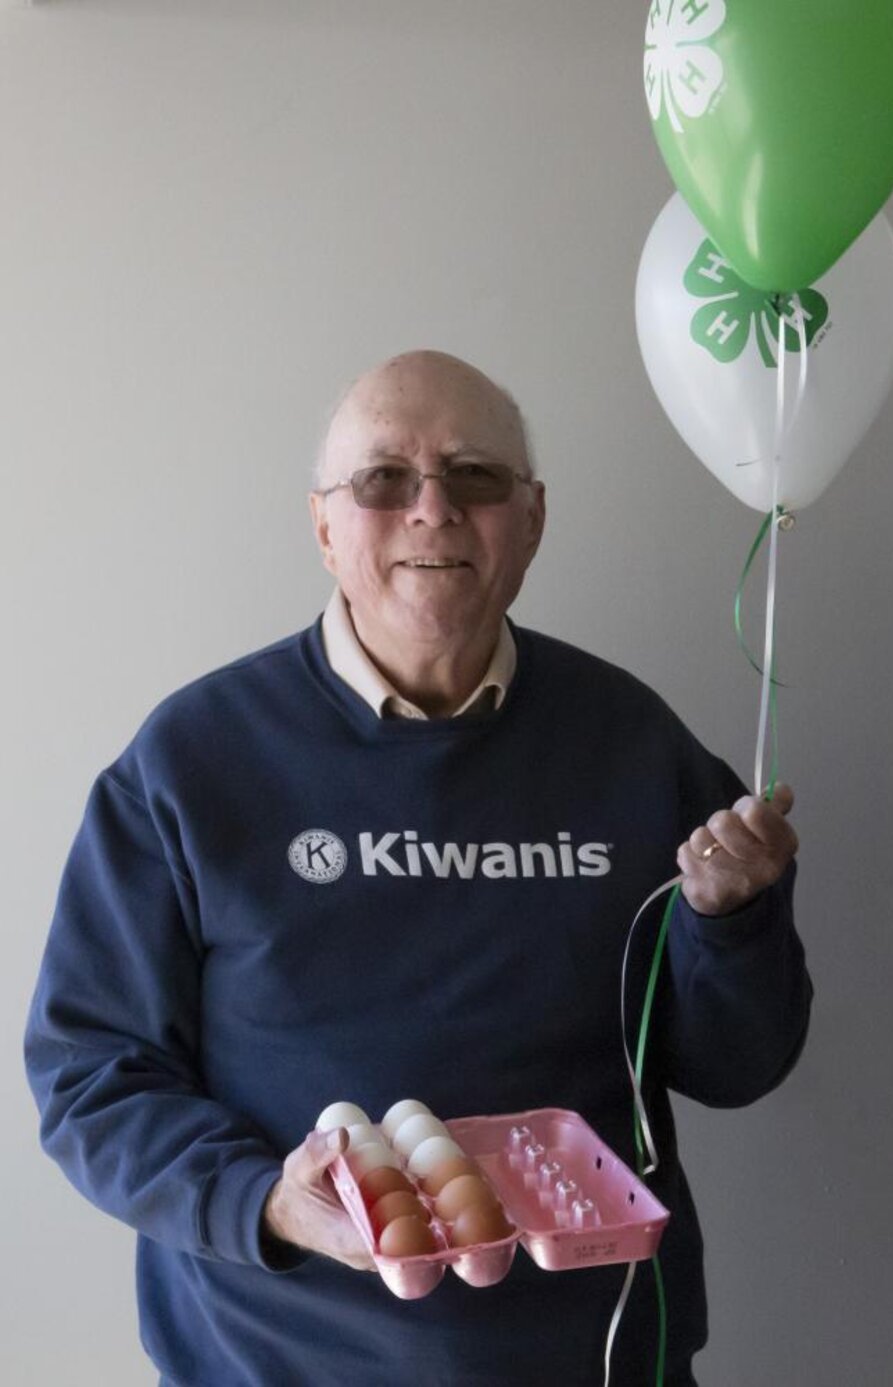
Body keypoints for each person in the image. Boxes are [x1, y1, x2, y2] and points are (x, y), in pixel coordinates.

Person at [25, 350, 810, 1386]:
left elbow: (737, 1067)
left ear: (530, 520)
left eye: (475, 476)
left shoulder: (632, 742)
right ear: (323, 526)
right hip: (274, 1357)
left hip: (592, 1351)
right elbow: (89, 1076)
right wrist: (261, 1200)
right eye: (384, 479)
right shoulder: (191, 760)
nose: (431, 509)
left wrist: (732, 924)